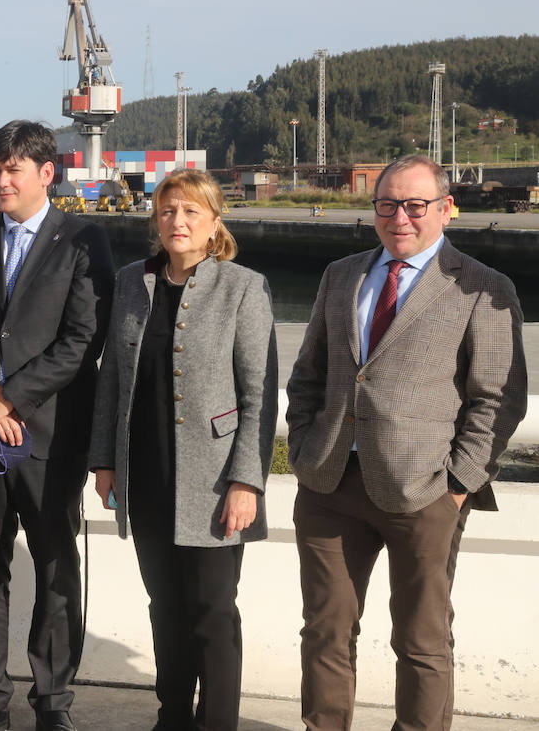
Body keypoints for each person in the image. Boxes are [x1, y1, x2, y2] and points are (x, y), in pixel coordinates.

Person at [286, 154, 526, 731]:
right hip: (328, 484)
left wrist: (457, 485)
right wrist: (301, 444)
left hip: (424, 493)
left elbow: (498, 398)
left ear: (445, 208)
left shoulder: (481, 288)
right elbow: (309, 375)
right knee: (324, 632)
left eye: (416, 205)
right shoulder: (340, 275)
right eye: (388, 203)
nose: (401, 217)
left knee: (421, 641)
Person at [0, 120, 114, 731]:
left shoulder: (85, 240)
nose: (1, 179)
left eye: (13, 169)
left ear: (47, 174)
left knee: (56, 571)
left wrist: (11, 398)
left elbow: (83, 339)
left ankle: (52, 703)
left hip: (50, 438)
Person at [90, 169, 277, 731]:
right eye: (169, 210)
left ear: (215, 222)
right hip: (145, 476)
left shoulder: (243, 287)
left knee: (213, 613)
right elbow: (111, 380)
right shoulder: (131, 281)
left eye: (192, 211)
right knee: (165, 610)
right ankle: (172, 716)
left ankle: (216, 722)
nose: (179, 222)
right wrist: (103, 460)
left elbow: (258, 393)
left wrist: (248, 482)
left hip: (215, 483)